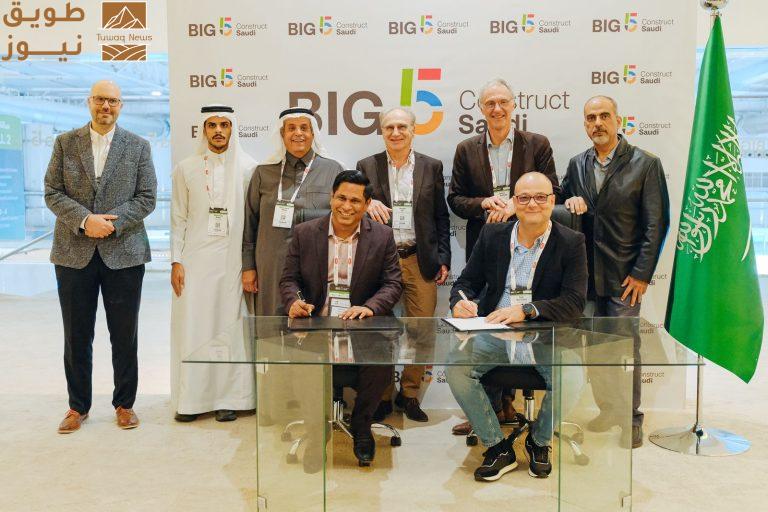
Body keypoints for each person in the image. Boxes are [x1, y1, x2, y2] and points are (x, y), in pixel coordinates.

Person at [446, 172, 587, 481]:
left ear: (552, 201)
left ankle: (539, 441)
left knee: (573, 377)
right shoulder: (492, 235)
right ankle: (497, 446)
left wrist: (527, 309)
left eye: (540, 197)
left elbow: (574, 302)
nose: (531, 204)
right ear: (514, 202)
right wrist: (459, 301)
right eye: (523, 198)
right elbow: (465, 283)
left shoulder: (571, 242)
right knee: (456, 367)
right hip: (495, 334)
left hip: (544, 336)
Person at [44, 80, 157, 433]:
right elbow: (52, 191)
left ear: (121, 106)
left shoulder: (138, 146)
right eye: (100, 99)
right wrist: (85, 220)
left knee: (124, 335)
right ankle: (77, 407)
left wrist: (110, 224)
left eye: (112, 101)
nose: (105, 106)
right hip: (72, 253)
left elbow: (147, 197)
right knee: (76, 335)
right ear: (89, 102)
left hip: (124, 254)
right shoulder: (65, 143)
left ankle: (125, 404)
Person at [558, 95, 670, 448]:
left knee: (624, 350)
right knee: (594, 349)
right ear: (584, 124)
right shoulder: (577, 164)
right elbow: (559, 207)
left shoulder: (645, 164)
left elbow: (656, 224)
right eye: (591, 118)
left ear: (618, 120)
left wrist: (642, 273)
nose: (597, 123)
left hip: (624, 277)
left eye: (604, 116)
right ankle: (608, 409)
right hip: (586, 277)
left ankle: (631, 418)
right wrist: (567, 201)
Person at [279, 170, 403, 466]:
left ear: (367, 204)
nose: (347, 206)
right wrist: (294, 302)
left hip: (362, 327)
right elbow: (288, 279)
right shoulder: (305, 232)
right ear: (331, 197)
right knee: (303, 360)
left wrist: (370, 307)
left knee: (381, 358)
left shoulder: (382, 236)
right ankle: (316, 431)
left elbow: (393, 283)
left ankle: (361, 425)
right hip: (316, 325)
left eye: (355, 201)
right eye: (341, 198)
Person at [356, 107, 451, 423]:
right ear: (381, 131)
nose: (395, 133)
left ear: (413, 130)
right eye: (389, 127)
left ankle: (409, 394)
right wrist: (368, 203)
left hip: (418, 258)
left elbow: (440, 216)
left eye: (402, 127)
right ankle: (382, 395)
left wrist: (444, 257)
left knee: (422, 329)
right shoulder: (366, 165)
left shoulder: (431, 166)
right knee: (378, 329)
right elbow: (352, 206)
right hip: (379, 261)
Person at [170, 105, 257, 423]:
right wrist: (176, 260)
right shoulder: (186, 168)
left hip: (232, 262)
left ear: (232, 129)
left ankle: (229, 399)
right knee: (195, 326)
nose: (218, 130)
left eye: (224, 124)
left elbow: (254, 222)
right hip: (195, 261)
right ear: (203, 130)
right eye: (212, 125)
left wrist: (250, 265)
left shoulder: (250, 168)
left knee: (228, 328)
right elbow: (178, 217)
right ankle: (191, 400)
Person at [242, 107, 343, 314]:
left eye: (304, 128)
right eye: (291, 128)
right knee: (271, 320)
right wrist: (248, 266)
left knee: (315, 319)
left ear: (313, 133)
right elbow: (250, 223)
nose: (298, 133)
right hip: (272, 262)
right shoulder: (263, 172)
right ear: (282, 133)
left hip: (318, 262)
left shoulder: (333, 170)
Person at [447, 78, 559, 261]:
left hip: (531, 243)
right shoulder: (465, 149)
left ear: (514, 104)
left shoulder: (538, 145)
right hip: (484, 243)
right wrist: (483, 203)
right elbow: (455, 199)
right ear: (481, 108)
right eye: (490, 103)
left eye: (503, 102)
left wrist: (517, 204)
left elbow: (554, 192)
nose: (497, 109)